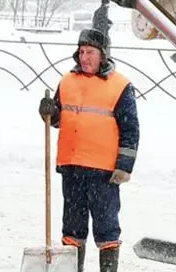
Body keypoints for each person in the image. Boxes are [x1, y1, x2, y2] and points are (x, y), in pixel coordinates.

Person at [38, 29, 139, 272]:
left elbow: (130, 129)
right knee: (72, 229)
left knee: (107, 229)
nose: (84, 58)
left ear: (103, 55)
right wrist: (47, 112)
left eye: (90, 52)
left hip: (103, 171)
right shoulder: (67, 81)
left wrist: (123, 167)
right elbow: (59, 120)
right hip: (72, 166)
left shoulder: (120, 86)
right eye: (81, 52)